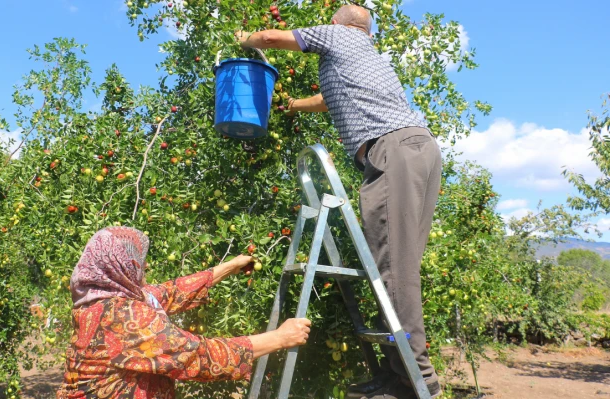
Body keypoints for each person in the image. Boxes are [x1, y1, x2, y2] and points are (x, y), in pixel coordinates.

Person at [236, 4, 442, 399]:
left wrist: (241, 40)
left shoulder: (339, 35)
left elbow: (269, 38)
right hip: (419, 149)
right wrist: (294, 105)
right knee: (400, 264)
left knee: (393, 268)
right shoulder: (366, 56)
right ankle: (399, 372)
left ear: (339, 24)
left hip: (393, 150)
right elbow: (330, 100)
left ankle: (418, 376)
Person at [56, 226, 311, 399]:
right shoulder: (123, 317)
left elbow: (169, 292)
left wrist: (226, 268)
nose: (144, 266)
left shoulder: (99, 302)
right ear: (121, 266)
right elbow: (196, 356)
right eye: (138, 261)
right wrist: (279, 338)